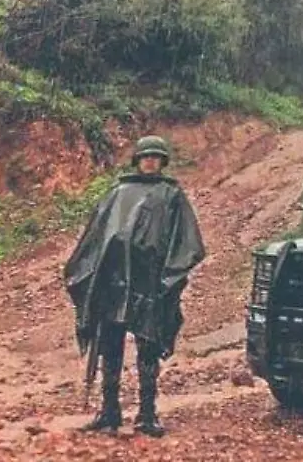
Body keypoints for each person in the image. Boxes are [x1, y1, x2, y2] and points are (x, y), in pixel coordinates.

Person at [64, 135, 206, 437]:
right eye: (146, 156)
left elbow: (187, 243)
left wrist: (169, 277)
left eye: (156, 157)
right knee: (110, 348)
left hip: (150, 284)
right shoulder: (117, 193)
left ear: (163, 161)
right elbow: (97, 236)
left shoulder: (172, 196)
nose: (150, 161)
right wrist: (88, 272)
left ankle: (147, 414)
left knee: (147, 350)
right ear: (137, 160)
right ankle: (110, 411)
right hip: (113, 283)